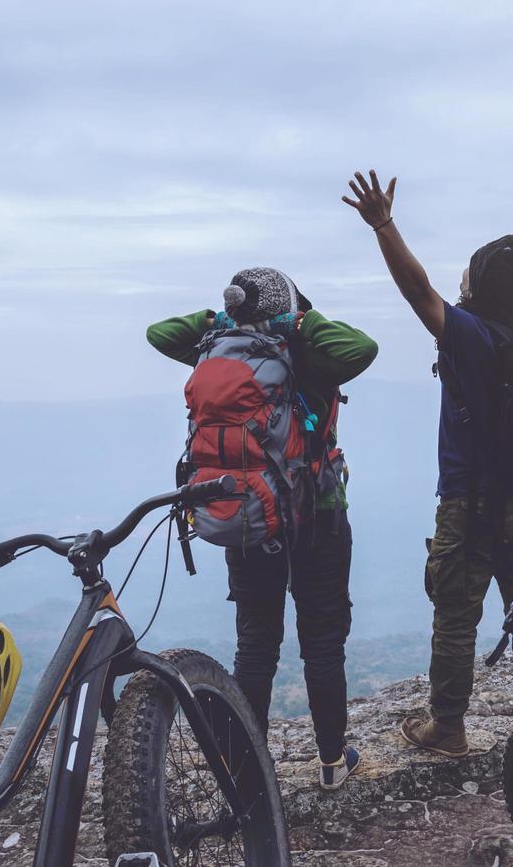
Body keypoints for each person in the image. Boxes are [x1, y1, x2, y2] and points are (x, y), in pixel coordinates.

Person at [342, 170, 513, 758]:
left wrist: (384, 225)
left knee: (457, 616)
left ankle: (449, 728)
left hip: (470, 504)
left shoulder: (466, 332)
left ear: (476, 285)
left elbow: (416, 290)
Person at [146, 266, 378, 789]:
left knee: (256, 641)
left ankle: (245, 768)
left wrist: (221, 318)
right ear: (288, 308)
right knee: (322, 640)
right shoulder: (306, 350)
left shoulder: (215, 348)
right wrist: (300, 321)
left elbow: (159, 333)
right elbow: (362, 348)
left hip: (249, 511)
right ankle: (333, 763)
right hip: (317, 514)